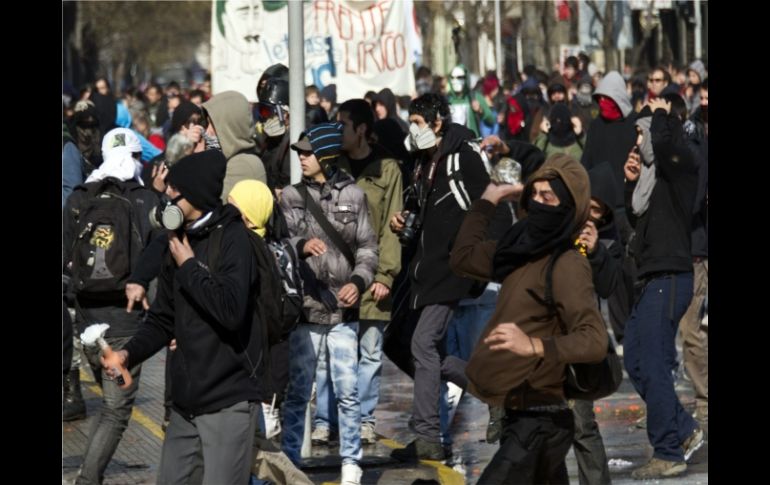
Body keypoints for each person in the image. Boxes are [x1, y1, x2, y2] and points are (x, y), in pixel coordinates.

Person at [108, 149, 267, 484]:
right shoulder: (177, 241)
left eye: (173, 189)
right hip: (185, 403)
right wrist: (128, 353)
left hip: (228, 400)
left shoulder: (234, 240)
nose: (165, 194)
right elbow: (163, 317)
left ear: (192, 195)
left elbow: (230, 311)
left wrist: (190, 266)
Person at [450, 153, 608, 484]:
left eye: (546, 197)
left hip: (542, 420)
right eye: (533, 194)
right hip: (518, 415)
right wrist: (490, 199)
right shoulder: (518, 249)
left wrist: (535, 345)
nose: (536, 203)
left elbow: (594, 339)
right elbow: (462, 257)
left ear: (566, 206)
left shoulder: (567, 263)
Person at [388, 93, 487, 461]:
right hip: (424, 269)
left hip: (451, 268)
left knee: (422, 343)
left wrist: (471, 254)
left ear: (437, 123)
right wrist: (404, 218)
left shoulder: (463, 158)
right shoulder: (419, 162)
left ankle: (428, 435)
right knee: (427, 353)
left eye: (418, 123)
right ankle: (497, 391)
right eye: (410, 122)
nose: (413, 130)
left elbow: (485, 207)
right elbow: (418, 204)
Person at [279, 122, 378, 485]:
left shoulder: (355, 195)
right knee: (298, 392)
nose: (302, 158)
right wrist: (300, 246)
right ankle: (289, 460)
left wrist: (358, 281)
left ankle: (352, 462)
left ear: (325, 155)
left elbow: (368, 247)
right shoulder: (290, 196)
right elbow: (281, 245)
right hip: (305, 311)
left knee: (348, 391)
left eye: (307, 152)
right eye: (301, 152)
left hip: (342, 314)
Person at [63, 128, 160, 485]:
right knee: (116, 408)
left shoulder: (78, 198)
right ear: (136, 156)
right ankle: (88, 479)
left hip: (86, 318)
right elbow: (162, 259)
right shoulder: (146, 200)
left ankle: (88, 476)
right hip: (126, 317)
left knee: (108, 404)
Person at [311, 99, 403, 446]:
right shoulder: (332, 166)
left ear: (362, 129)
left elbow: (393, 227)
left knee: (369, 353)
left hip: (372, 278)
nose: (338, 131)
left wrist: (385, 277)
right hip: (334, 278)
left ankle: (364, 420)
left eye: (344, 124)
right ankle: (325, 421)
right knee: (328, 355)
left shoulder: (388, 170)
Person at [623, 97, 703, 479]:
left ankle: (667, 451)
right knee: (635, 360)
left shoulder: (680, 169)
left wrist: (659, 115)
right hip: (650, 275)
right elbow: (636, 219)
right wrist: (630, 183)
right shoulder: (652, 181)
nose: (637, 143)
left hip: (671, 276)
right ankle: (684, 430)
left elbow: (669, 147)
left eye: (641, 136)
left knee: (654, 364)